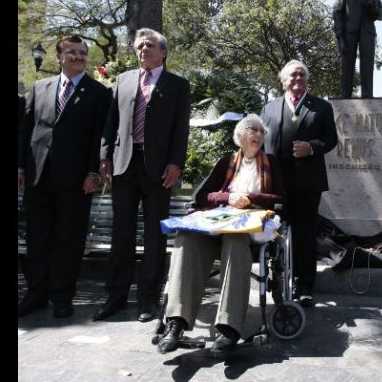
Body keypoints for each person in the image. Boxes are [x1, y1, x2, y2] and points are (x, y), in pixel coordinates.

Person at [156, 114, 285, 354]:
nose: (258, 134)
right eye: (252, 129)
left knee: (236, 240)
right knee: (187, 237)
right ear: (239, 136)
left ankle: (229, 326)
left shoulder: (272, 163)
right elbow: (202, 196)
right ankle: (176, 323)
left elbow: (280, 198)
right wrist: (228, 197)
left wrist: (251, 198)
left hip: (249, 229)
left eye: (261, 131)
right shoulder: (226, 161)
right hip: (218, 223)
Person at [94, 28, 191, 323]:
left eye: (150, 46)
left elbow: (180, 129)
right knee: (121, 233)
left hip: (159, 170)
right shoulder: (123, 81)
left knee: (154, 236)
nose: (143, 50)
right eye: (139, 46)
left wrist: (175, 163)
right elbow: (111, 121)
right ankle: (116, 296)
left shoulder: (177, 85)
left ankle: (147, 300)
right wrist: (104, 155)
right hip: (124, 165)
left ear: (163, 52)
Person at [18, 35, 111, 318]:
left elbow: (100, 137)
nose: (79, 57)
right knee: (37, 237)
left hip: (75, 180)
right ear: (59, 56)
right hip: (38, 174)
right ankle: (36, 294)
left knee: (68, 240)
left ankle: (61, 296)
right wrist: (20, 167)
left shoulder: (98, 92)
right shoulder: (39, 87)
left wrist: (94, 172)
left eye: (83, 53)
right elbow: (26, 129)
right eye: (72, 52)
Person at [260, 60, 338, 307]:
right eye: (293, 75)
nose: (297, 79)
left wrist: (312, 148)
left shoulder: (321, 107)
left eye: (302, 75)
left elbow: (331, 139)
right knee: (273, 233)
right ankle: (275, 280)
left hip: (307, 183)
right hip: (275, 184)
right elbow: (259, 142)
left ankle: (304, 286)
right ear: (283, 80)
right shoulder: (269, 108)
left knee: (305, 235)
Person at [332, 0, 382, 98]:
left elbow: (381, 14)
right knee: (347, 66)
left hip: (367, 32)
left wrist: (373, 9)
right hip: (349, 32)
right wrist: (340, 37)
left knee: (367, 65)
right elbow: (337, 12)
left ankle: (367, 96)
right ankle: (345, 96)